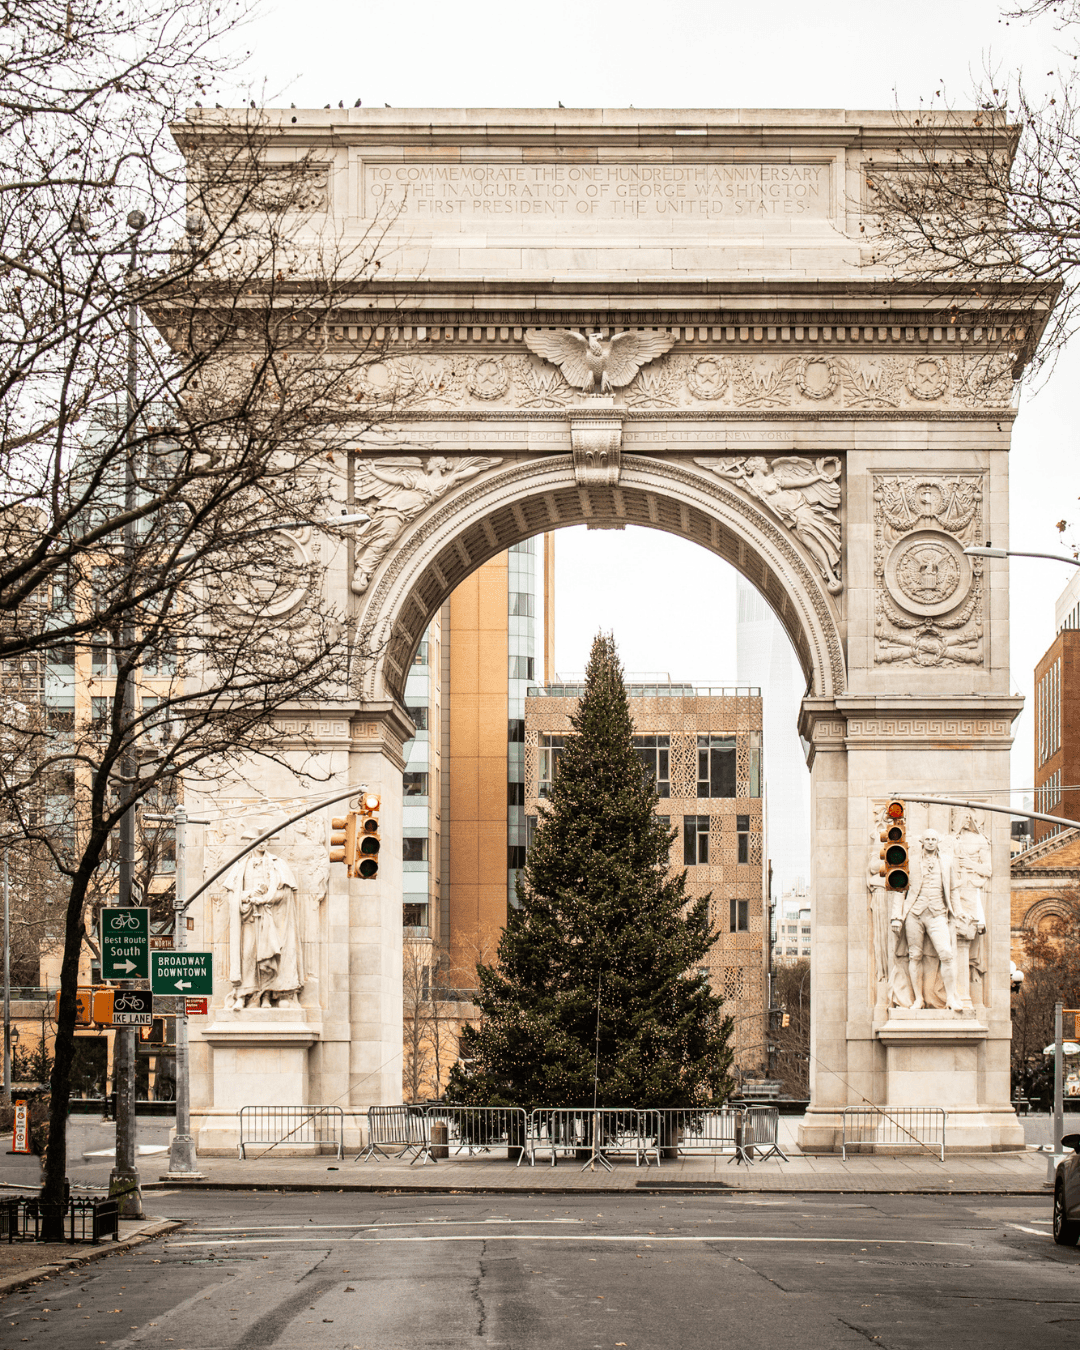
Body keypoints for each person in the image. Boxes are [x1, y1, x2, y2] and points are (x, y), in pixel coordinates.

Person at [223, 829, 303, 1009]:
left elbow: (285, 893)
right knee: (248, 956)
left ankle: (268, 995)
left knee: (270, 956)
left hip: (271, 919)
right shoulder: (240, 866)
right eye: (257, 840)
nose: (261, 843)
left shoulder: (278, 864)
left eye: (265, 840)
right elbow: (233, 895)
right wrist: (250, 895)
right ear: (249, 842)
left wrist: (266, 898)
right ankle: (245, 995)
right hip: (249, 919)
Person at [890, 830, 963, 1013]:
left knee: (946, 953)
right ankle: (919, 999)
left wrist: (958, 910)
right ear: (922, 841)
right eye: (927, 839)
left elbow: (953, 889)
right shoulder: (910, 860)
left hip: (938, 913)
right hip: (914, 913)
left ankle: (951, 998)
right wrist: (896, 917)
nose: (930, 842)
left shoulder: (946, 861)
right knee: (915, 956)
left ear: (938, 841)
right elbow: (900, 888)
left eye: (934, 839)